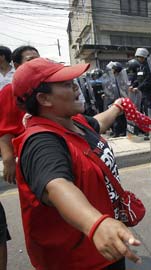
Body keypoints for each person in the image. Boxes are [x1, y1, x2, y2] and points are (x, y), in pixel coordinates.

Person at [11, 57, 142, 269]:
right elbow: (56, 185)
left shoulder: (75, 121)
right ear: (44, 99)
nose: (76, 87)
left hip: (107, 246)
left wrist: (117, 107)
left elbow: (98, 123)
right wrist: (96, 223)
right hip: (79, 259)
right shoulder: (41, 141)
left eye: (74, 80)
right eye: (66, 84)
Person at [0, 46, 40, 270]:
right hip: (28, 160)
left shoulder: (50, 86)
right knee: (39, 212)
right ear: (16, 66)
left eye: (38, 58)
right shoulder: (9, 92)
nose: (35, 63)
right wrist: (8, 160)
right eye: (29, 60)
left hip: (58, 153)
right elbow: (4, 129)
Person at [131, 48, 151, 140]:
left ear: (145, 57)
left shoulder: (149, 67)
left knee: (150, 112)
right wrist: (133, 85)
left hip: (150, 93)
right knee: (145, 112)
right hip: (143, 94)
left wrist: (138, 88)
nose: (139, 59)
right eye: (138, 57)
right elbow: (138, 78)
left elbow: (148, 80)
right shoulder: (140, 67)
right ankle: (148, 131)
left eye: (141, 57)